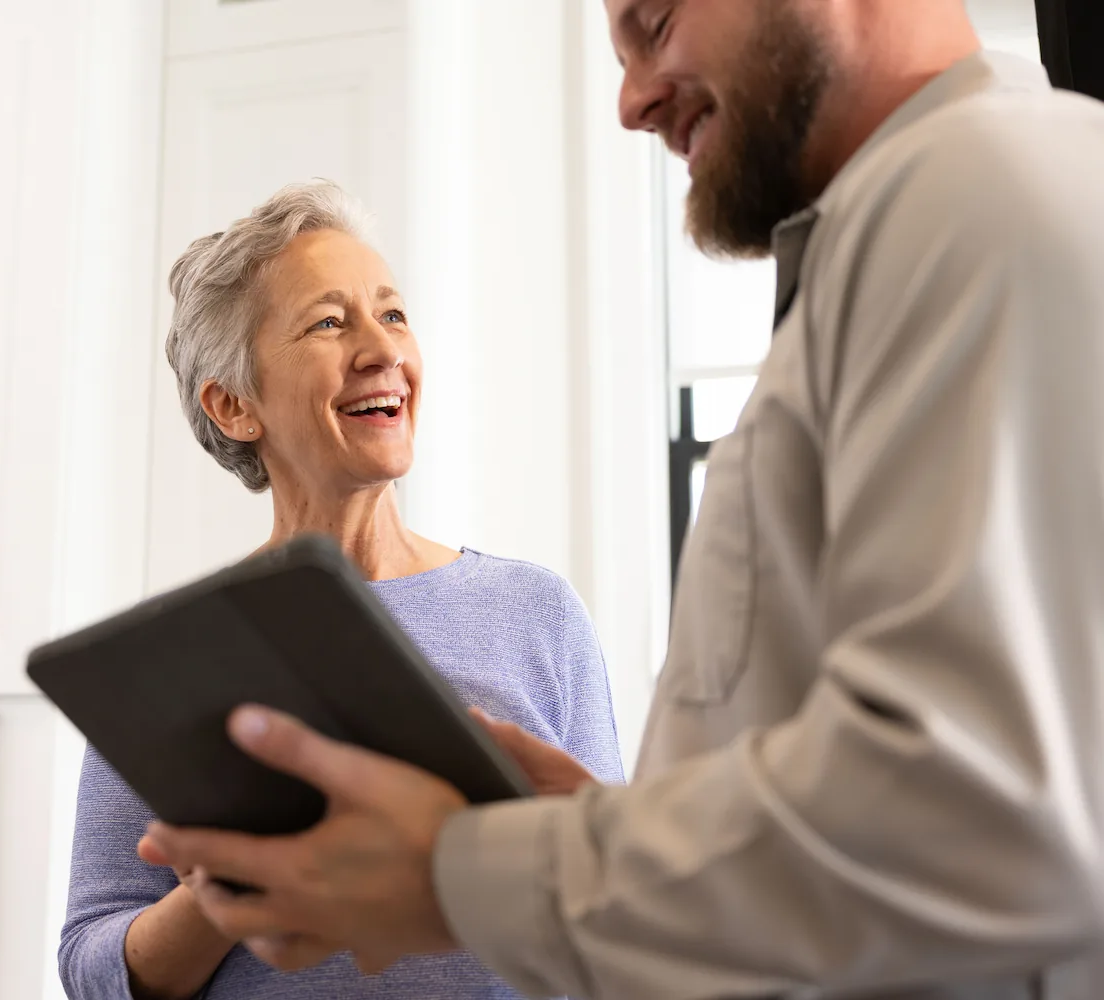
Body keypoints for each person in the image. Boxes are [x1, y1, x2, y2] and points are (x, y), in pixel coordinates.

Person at [139, 1, 1104, 998]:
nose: (632, 100)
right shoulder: (894, 246)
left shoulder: (980, 203)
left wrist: (464, 872)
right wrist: (599, 829)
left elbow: (984, 821)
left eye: (654, 22)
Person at [58, 181, 626, 1000]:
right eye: (329, 322)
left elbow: (614, 936)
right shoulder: (168, 658)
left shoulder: (536, 613)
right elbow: (94, 970)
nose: (382, 350)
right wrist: (226, 890)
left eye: (392, 314)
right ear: (233, 404)